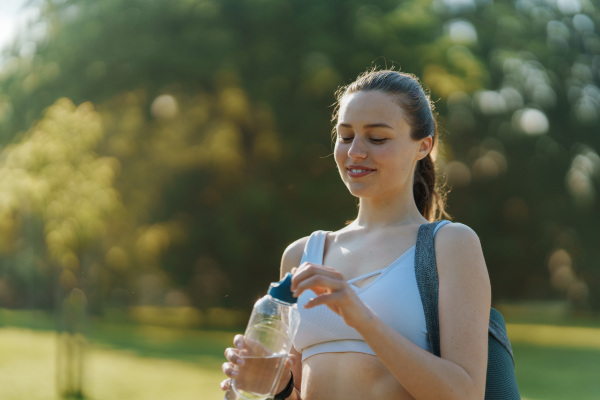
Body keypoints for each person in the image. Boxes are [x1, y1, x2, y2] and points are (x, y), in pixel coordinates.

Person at [221, 68, 491, 400]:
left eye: (376, 138)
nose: (354, 153)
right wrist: (274, 388)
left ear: (423, 146)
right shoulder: (303, 255)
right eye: (346, 136)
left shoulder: (450, 245)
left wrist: (360, 317)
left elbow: (465, 394)